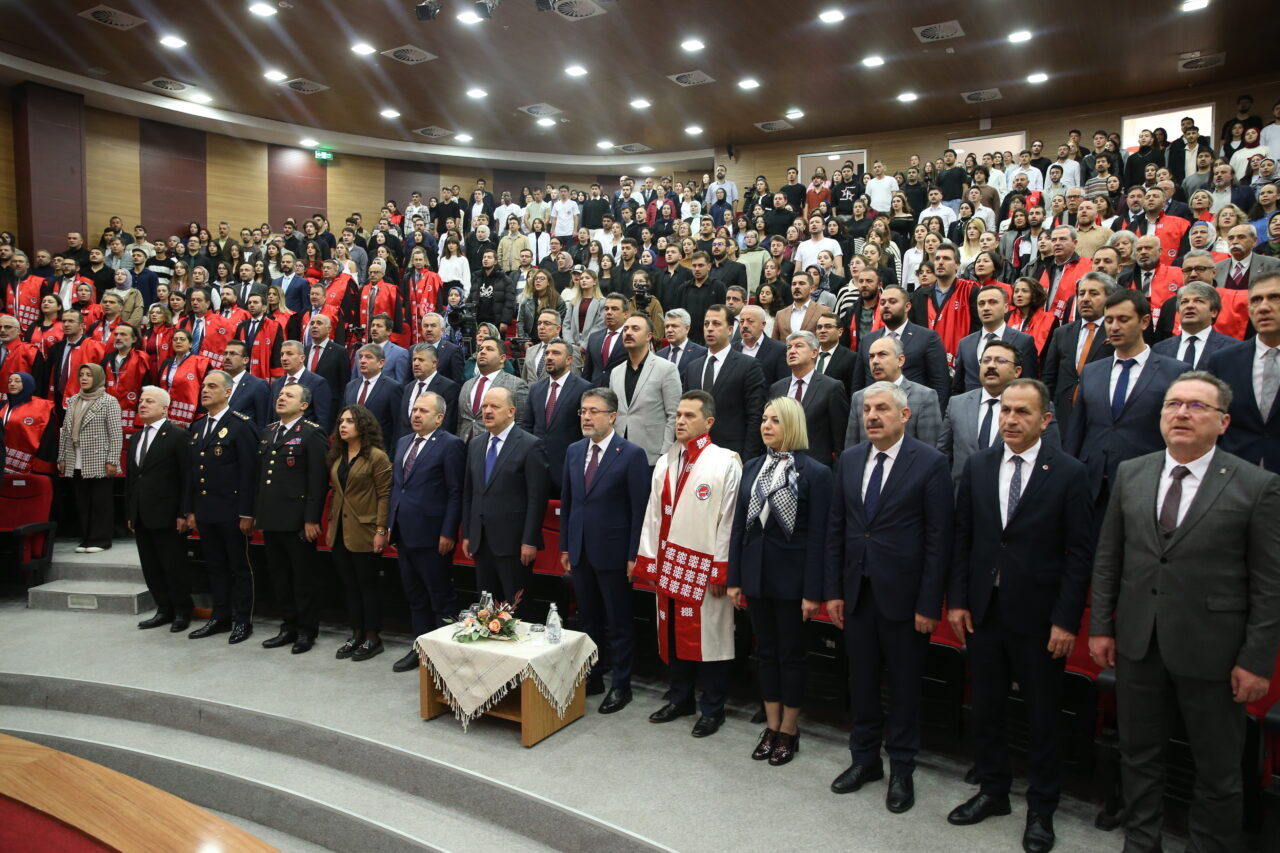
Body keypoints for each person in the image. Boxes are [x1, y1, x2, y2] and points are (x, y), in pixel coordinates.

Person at [1089, 371, 1280, 853]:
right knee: (1138, 756)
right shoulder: (1133, 473)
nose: (1182, 413)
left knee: (1217, 769)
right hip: (1139, 642)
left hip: (1214, 651)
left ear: (1223, 422)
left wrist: (1257, 660)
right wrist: (1101, 627)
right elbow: (1109, 557)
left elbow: (1269, 583)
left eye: (1197, 406)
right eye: (1173, 404)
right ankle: (1141, 842)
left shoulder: (1257, 485)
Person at [945, 378, 1092, 852]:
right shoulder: (979, 465)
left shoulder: (1069, 473)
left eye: (1022, 412)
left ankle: (1041, 809)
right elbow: (963, 536)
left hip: (1040, 619)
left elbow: (1079, 554)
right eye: (1005, 410)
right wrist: (958, 600)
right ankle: (993, 791)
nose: (1010, 419)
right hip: (984, 612)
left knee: (1042, 717)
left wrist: (1066, 620)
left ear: (1045, 420)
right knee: (986, 709)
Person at [825, 380, 953, 814]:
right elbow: (838, 529)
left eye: (882, 408)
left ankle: (901, 769)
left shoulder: (930, 463)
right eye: (867, 410)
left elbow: (938, 540)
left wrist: (929, 603)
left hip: (905, 599)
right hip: (857, 594)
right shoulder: (850, 459)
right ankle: (864, 760)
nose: (872, 416)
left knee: (903, 688)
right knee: (860, 683)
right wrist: (834, 591)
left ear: (905, 415)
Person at [728, 397, 831, 764]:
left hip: (794, 580)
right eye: (764, 419)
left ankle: (789, 729)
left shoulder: (816, 473)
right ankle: (771, 726)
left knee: (792, 655)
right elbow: (739, 528)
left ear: (793, 425)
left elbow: (819, 538)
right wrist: (734, 578)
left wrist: (813, 591)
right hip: (755, 575)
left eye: (775, 420)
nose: (766, 426)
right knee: (766, 652)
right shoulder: (753, 466)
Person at [637, 391, 742, 737]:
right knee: (672, 633)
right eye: (678, 415)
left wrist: (722, 567)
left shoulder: (725, 461)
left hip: (703, 564)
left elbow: (730, 519)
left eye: (689, 416)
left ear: (708, 422)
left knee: (709, 639)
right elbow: (653, 514)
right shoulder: (666, 460)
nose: (680, 421)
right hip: (670, 561)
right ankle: (680, 698)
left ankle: (713, 708)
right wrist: (650, 559)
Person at [559, 386, 650, 713]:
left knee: (619, 622)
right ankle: (593, 675)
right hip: (580, 550)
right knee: (588, 620)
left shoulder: (631, 454)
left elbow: (639, 510)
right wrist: (565, 545)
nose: (586, 417)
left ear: (612, 416)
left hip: (614, 553)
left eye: (593, 411)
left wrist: (634, 555)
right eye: (583, 411)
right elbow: (569, 502)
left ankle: (621, 685)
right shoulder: (573, 451)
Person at [1064, 290, 1185, 519]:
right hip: (1092, 484)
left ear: (1144, 322)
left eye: (1123, 319)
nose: (1114, 327)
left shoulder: (1174, 372)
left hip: (1146, 483)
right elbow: (1077, 430)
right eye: (1109, 320)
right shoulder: (1092, 371)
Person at [387, 391, 466, 673]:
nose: (416, 415)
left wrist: (449, 532)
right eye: (415, 410)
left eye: (423, 411)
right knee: (415, 596)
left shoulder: (451, 445)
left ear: (439, 417)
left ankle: (445, 655)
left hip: (433, 535)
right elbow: (398, 487)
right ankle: (420, 648)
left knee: (440, 597)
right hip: (403, 532)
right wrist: (390, 524)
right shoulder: (403, 442)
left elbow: (455, 492)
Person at [252, 382, 329, 655]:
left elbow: (317, 480)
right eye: (281, 394)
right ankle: (288, 626)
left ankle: (306, 630)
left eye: (289, 395)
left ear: (304, 405)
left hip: (297, 520)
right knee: (280, 576)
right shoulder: (268, 431)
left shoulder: (311, 433)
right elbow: (261, 478)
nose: (282, 398)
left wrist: (311, 519)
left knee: (302, 578)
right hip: (271, 517)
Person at [185, 370, 260, 643]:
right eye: (203, 386)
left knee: (239, 567)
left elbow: (250, 472)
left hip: (232, 510)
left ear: (228, 392)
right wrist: (190, 510)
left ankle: (242, 620)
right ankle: (220, 616)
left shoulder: (241, 425)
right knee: (215, 566)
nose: (205, 390)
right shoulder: (197, 427)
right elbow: (191, 473)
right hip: (206, 509)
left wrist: (247, 512)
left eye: (212, 386)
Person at [461, 385, 549, 605]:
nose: (487, 411)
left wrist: (529, 541)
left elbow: (536, 499)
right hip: (481, 541)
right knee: (486, 608)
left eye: (494, 406)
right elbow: (469, 494)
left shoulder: (530, 445)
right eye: (484, 406)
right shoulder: (476, 444)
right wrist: (468, 534)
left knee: (516, 608)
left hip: (514, 544)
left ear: (511, 411)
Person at [326, 404, 393, 662]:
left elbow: (384, 495)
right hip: (340, 531)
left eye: (350, 421)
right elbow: (337, 493)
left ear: (363, 426)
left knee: (368, 587)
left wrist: (380, 529)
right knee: (349, 586)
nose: (343, 426)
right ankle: (356, 633)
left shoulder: (376, 456)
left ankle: (373, 637)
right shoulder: (338, 455)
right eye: (341, 421)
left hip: (365, 530)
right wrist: (331, 524)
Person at [127, 386, 193, 631]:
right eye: (141, 401)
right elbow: (133, 479)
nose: (142, 405)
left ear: (165, 408)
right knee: (151, 567)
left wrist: (183, 512)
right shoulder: (136, 438)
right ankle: (163, 609)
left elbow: (186, 477)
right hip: (141, 513)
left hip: (168, 514)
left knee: (173, 566)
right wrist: (131, 512)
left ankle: (182, 611)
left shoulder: (177, 435)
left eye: (149, 401)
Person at [1205, 272, 1280, 470]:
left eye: (1274, 297)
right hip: (1235, 474)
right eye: (1256, 300)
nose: (1263, 307)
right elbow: (1209, 420)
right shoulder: (1223, 361)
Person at [684, 305, 767, 459]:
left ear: (730, 330)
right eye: (706, 324)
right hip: (695, 453)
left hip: (731, 454)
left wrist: (747, 459)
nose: (709, 328)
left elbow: (755, 416)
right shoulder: (693, 367)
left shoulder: (748, 366)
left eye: (716, 324)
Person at [57, 363, 121, 552]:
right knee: (82, 501)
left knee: (100, 502)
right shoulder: (73, 400)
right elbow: (65, 431)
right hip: (75, 456)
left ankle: (101, 540)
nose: (84, 378)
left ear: (98, 378)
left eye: (89, 375)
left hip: (99, 458)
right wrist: (61, 457)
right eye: (81, 375)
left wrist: (112, 460)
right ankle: (86, 538)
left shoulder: (109, 401)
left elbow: (115, 434)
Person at [1039, 272, 1117, 426]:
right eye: (1081, 293)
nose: (1085, 299)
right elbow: (1049, 377)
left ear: (1109, 298)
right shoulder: (1062, 333)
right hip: (1062, 416)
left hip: (1100, 418)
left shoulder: (1115, 332)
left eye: (1093, 293)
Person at [608, 312, 682, 467]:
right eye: (626, 329)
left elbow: (674, 414)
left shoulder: (666, 369)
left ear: (649, 336)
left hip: (652, 456)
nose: (628, 332)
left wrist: (665, 453)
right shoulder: (616, 372)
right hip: (617, 454)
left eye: (635, 329)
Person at [521, 337, 591, 497]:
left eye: (556, 353)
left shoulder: (584, 389)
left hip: (568, 467)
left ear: (569, 360)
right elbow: (527, 426)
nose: (549, 357)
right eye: (547, 353)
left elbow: (585, 432)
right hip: (537, 468)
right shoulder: (536, 389)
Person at [845, 336, 943, 448]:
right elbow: (851, 448)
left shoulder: (924, 396)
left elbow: (931, 449)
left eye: (882, 354)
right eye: (871, 357)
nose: (875, 361)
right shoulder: (859, 397)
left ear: (900, 360)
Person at [770, 331, 847, 467]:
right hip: (779, 464)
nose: (792, 351)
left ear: (814, 353)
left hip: (816, 466)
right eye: (789, 347)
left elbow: (840, 437)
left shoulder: (831, 387)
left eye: (799, 346)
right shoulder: (776, 388)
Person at [950, 284, 1039, 394]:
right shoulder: (965, 343)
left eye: (993, 302)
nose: (986, 308)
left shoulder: (1023, 341)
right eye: (981, 304)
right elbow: (958, 387)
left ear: (1006, 307)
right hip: (972, 403)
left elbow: (1029, 385)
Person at [456, 337, 529, 441]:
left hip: (497, 446)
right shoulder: (467, 385)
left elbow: (521, 423)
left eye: (489, 349)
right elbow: (461, 421)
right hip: (464, 446)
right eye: (481, 349)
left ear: (502, 358)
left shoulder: (516, 385)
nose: (482, 352)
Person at [1152, 281, 1234, 368]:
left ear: (1214, 312)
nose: (1189, 306)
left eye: (1198, 301)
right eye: (1184, 302)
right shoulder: (1159, 349)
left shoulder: (1231, 348)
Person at [396, 343, 460, 443]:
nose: (416, 363)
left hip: (433, 446)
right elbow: (402, 424)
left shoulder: (448, 387)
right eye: (414, 359)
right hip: (407, 446)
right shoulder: (408, 388)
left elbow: (447, 425)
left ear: (434, 363)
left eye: (421, 360)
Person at [343, 343, 399, 445]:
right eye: (360, 357)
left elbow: (397, 425)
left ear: (381, 363)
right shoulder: (350, 386)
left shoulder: (393, 388)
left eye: (368, 357)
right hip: (351, 446)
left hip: (378, 447)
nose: (362, 361)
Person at [0, 372, 56, 474]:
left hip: (29, 466)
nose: (12, 384)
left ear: (28, 383)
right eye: (10, 381)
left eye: (17, 381)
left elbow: (49, 438)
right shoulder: (3, 405)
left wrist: (40, 465)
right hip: (2, 462)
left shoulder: (42, 408)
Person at [222, 339, 271, 428]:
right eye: (225, 353)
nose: (227, 357)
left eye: (232, 354)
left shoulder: (258, 385)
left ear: (245, 360)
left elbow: (263, 422)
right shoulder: (219, 383)